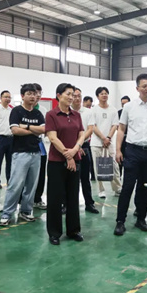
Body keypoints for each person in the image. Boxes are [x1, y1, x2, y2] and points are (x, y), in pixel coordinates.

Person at [114, 74, 147, 236]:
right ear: (137, 88)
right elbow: (121, 129)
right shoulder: (129, 107)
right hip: (132, 151)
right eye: (144, 86)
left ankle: (141, 219)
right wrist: (118, 150)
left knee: (146, 188)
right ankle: (120, 221)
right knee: (127, 187)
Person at [45, 83, 87, 245]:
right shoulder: (51, 114)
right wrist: (67, 155)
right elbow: (52, 137)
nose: (71, 97)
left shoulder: (76, 115)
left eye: (73, 95)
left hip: (75, 160)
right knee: (55, 198)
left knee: (73, 196)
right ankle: (54, 233)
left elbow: (81, 134)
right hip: (56, 162)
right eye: (68, 94)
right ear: (58, 95)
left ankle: (73, 230)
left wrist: (75, 150)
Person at [0, 84, 45, 226]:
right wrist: (34, 131)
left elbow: (44, 130)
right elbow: (15, 130)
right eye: (29, 93)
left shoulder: (38, 113)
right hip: (20, 153)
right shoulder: (17, 111)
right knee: (16, 184)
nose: (33, 96)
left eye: (34, 94)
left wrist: (26, 126)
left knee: (31, 185)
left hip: (36, 153)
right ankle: (7, 213)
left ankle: (26, 211)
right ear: (22, 96)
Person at [91, 86, 122, 198]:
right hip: (96, 143)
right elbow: (93, 126)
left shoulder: (113, 110)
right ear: (97, 96)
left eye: (106, 93)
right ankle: (101, 190)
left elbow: (115, 125)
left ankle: (117, 188)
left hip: (110, 142)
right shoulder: (94, 110)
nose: (104, 95)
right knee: (97, 167)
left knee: (114, 166)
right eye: (102, 93)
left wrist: (108, 138)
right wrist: (103, 138)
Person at [71, 87, 98, 213]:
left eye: (79, 96)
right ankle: (68, 204)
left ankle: (89, 203)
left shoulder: (88, 112)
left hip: (84, 147)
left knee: (85, 177)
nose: (77, 98)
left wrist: (79, 144)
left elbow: (90, 129)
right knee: (70, 178)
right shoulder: (67, 112)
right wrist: (75, 146)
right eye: (74, 96)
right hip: (70, 147)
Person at [32, 83, 48, 209]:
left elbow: (45, 129)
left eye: (39, 93)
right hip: (24, 147)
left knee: (41, 174)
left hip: (40, 145)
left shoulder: (43, 110)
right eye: (34, 92)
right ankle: (24, 201)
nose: (37, 95)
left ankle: (37, 199)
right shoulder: (20, 110)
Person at [0, 90, 13, 189]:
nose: (7, 99)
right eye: (5, 97)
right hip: (0, 139)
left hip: (11, 139)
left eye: (9, 97)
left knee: (10, 162)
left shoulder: (12, 110)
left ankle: (10, 180)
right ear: (0, 98)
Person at [118, 95, 130, 177]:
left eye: (126, 104)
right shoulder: (118, 113)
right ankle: (119, 175)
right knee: (120, 158)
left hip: (130, 139)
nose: (124, 105)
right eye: (122, 104)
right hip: (121, 139)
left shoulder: (133, 113)